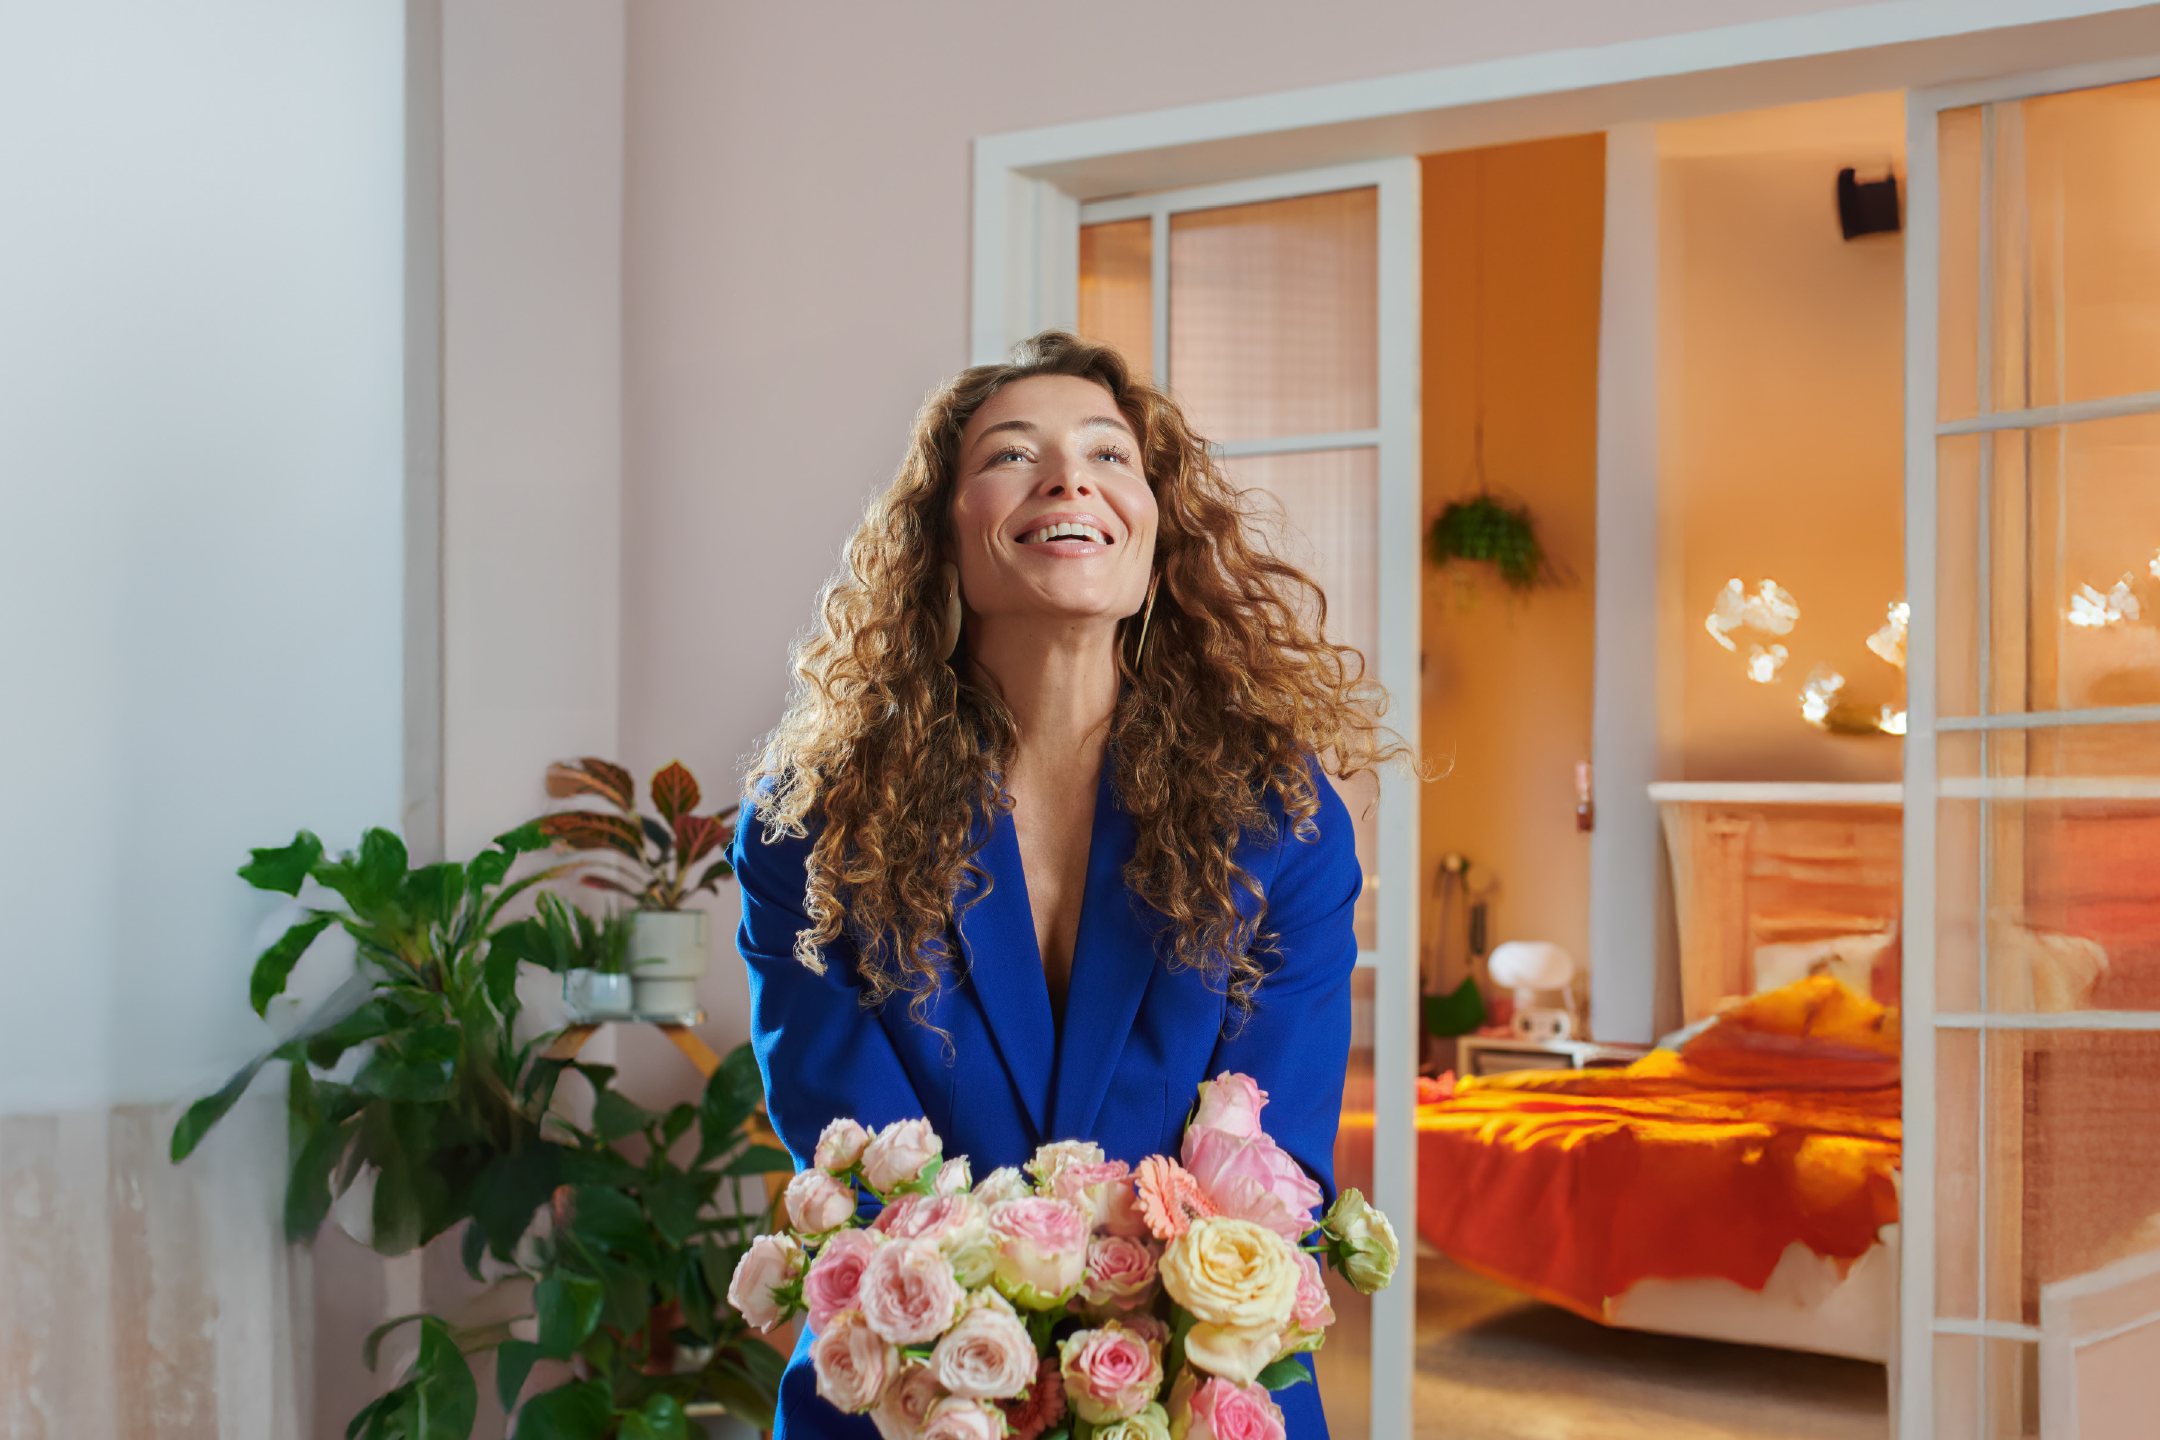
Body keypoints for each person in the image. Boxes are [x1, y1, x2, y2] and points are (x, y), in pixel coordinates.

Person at [731, 331, 1396, 1438]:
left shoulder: (1279, 819)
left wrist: (1116, 1373)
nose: (1068, 478)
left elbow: (1271, 1175)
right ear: (941, 530)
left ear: (1154, 527)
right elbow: (854, 1162)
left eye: (1108, 454)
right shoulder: (813, 822)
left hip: (1186, 1394)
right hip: (916, 1388)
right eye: (1009, 455)